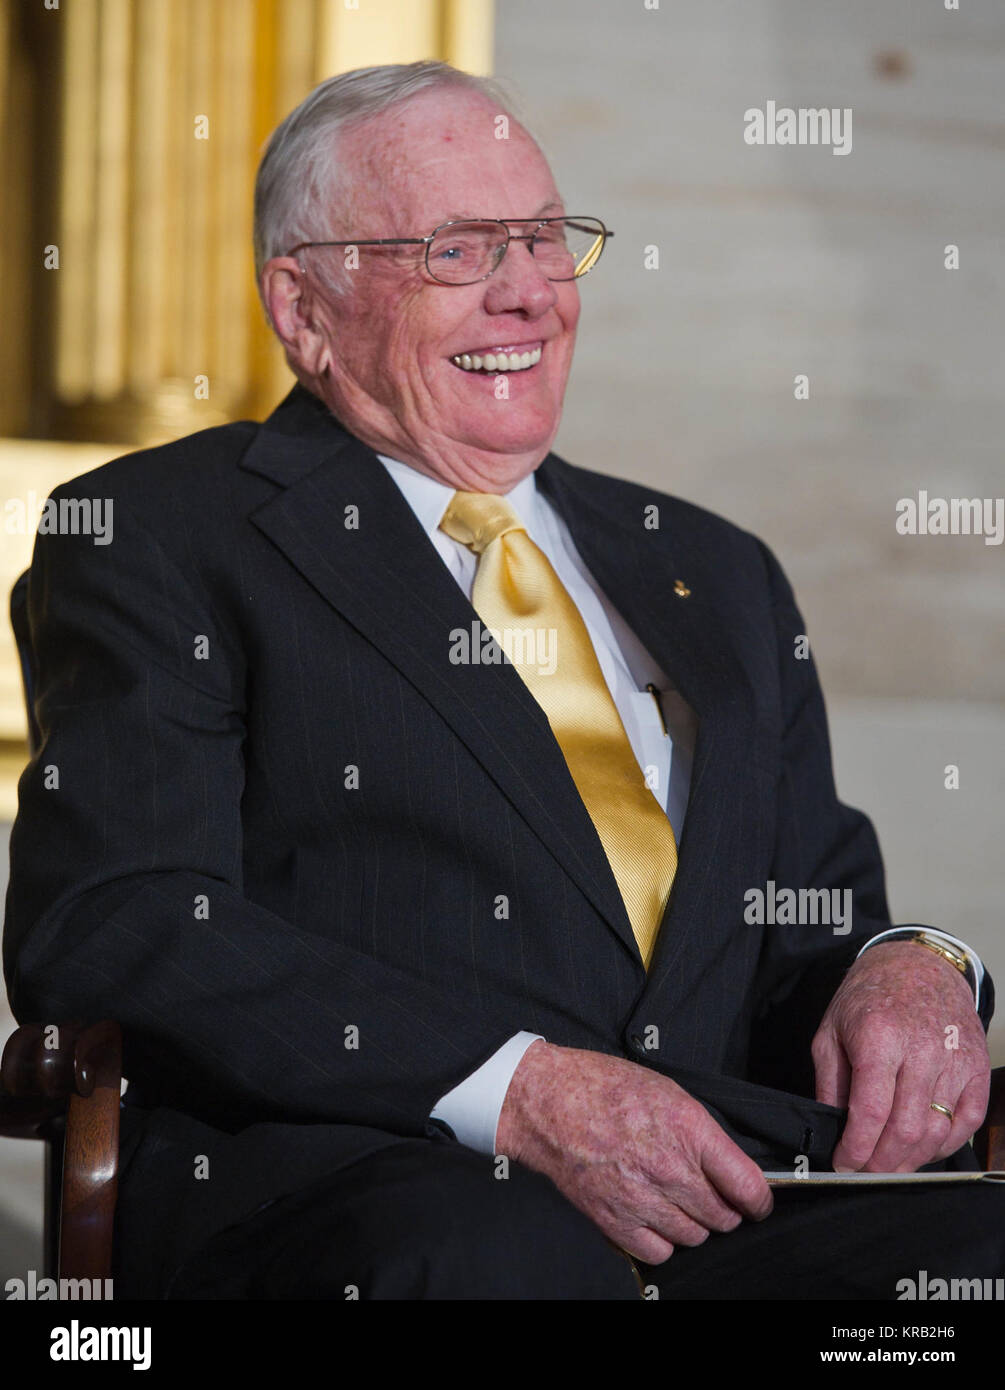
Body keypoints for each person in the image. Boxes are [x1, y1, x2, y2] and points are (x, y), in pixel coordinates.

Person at [3, 61, 1001, 1301]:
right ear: (303, 307)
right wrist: (517, 1086)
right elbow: (118, 918)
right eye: (459, 251)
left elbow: (817, 918)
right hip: (384, 1185)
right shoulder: (159, 531)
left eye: (541, 237)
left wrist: (908, 967)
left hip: (744, 1192)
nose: (529, 291)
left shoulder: (714, 568)